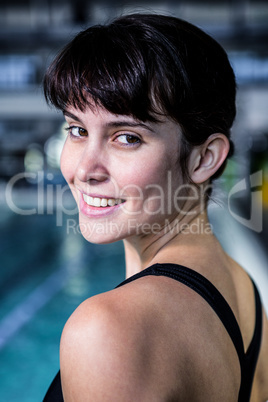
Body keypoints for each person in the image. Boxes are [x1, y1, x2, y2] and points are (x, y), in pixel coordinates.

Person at [42, 13, 268, 401]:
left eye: (126, 137)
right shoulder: (242, 287)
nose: (84, 169)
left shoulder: (109, 330)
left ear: (205, 158)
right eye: (77, 130)